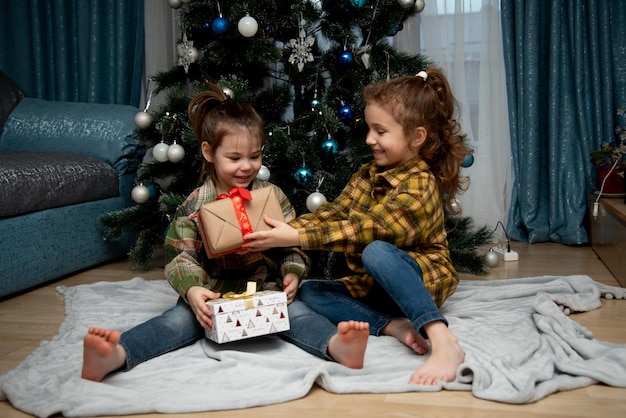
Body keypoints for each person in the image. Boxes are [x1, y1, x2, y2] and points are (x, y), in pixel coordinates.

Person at [244, 68, 467, 386]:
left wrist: (298, 235)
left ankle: (441, 338)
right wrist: (286, 228)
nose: (369, 139)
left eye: (381, 131)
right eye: (369, 129)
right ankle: (392, 326)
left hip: (418, 282)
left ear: (417, 137)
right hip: (375, 289)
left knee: (376, 251)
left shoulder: (421, 183)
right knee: (310, 291)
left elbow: (373, 228)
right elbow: (334, 215)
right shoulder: (366, 174)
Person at [81, 83, 309, 382]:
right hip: (212, 294)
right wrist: (192, 290)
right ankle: (116, 354)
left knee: (302, 314)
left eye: (254, 156)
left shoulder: (272, 196)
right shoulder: (195, 204)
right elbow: (181, 256)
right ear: (209, 152)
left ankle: (335, 345)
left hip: (266, 292)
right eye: (235, 158)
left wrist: (292, 272)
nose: (247, 167)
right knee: (176, 321)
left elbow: (292, 244)